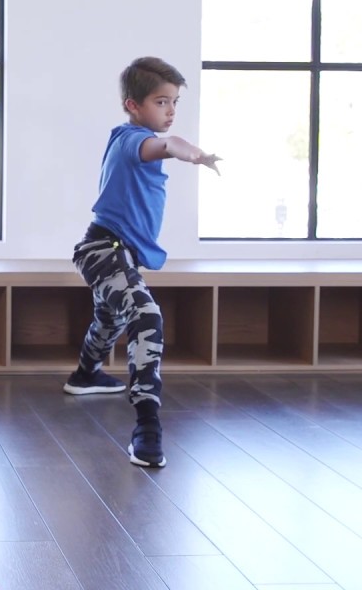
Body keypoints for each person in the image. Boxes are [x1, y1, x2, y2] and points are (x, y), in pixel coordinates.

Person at [66, 56, 220, 468]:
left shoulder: (132, 138)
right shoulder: (133, 141)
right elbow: (165, 145)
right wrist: (191, 153)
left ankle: (85, 374)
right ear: (133, 105)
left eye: (174, 102)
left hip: (115, 251)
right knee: (145, 315)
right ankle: (147, 429)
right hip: (103, 249)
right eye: (160, 102)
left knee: (110, 318)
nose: (170, 111)